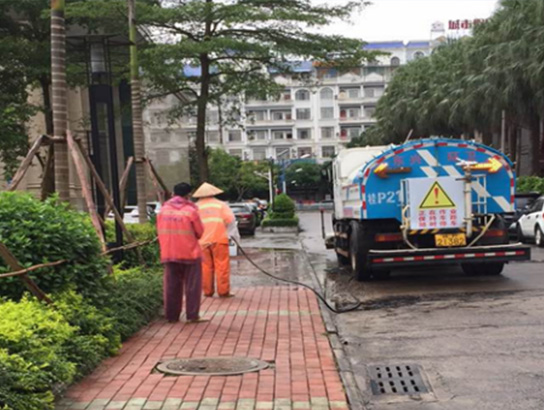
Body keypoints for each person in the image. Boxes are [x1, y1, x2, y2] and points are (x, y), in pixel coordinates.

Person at [157, 182, 206, 323]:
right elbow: (200, 232)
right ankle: (192, 316)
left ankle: (172, 316)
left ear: (173, 193)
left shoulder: (163, 210)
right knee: (192, 286)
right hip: (190, 253)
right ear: (188, 195)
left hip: (169, 252)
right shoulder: (191, 211)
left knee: (171, 286)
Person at [193, 182, 237, 298]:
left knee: (205, 267)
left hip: (202, 241)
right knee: (222, 266)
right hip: (219, 238)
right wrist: (231, 234)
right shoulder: (221, 205)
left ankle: (208, 291)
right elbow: (230, 220)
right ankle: (223, 291)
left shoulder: (195, 207)